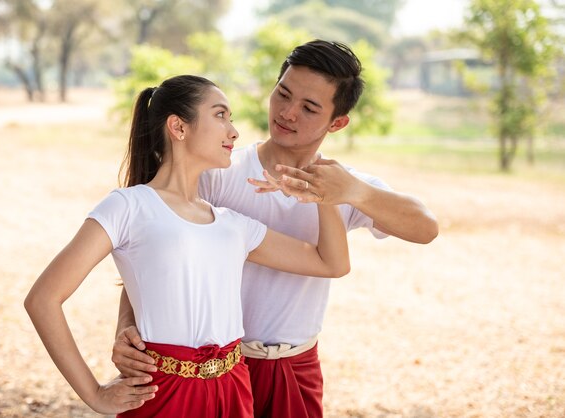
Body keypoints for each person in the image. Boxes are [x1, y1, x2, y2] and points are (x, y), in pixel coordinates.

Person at [113, 41, 439, 418]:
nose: (287, 112)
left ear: (337, 122)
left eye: (309, 107)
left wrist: (349, 191)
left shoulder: (344, 188)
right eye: (282, 93)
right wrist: (126, 327)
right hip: (206, 367)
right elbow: (151, 258)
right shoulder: (219, 171)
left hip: (294, 366)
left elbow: (425, 227)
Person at [24, 74, 351, 417]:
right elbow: (43, 299)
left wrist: (320, 190)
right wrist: (94, 393)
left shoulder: (232, 224)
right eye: (220, 115)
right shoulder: (127, 207)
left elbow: (331, 263)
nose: (233, 131)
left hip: (234, 389)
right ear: (179, 127)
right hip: (163, 393)